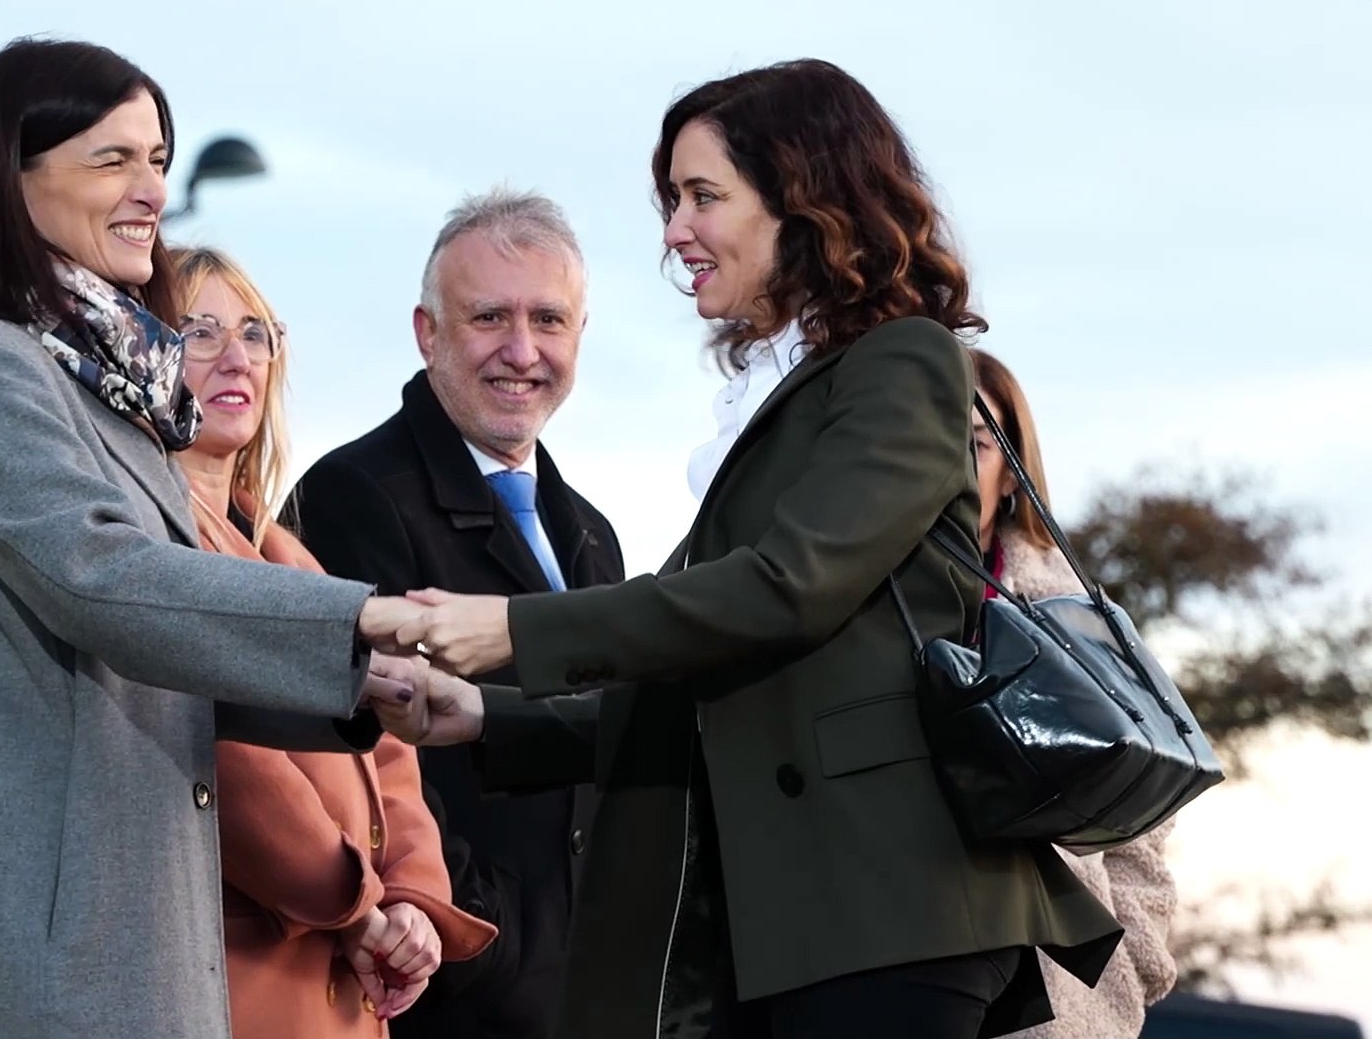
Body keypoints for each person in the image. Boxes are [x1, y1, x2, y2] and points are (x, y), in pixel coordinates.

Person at [373, 60, 1125, 1039]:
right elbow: (691, 674)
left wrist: (511, 629)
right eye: (670, 200)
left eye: (701, 197)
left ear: (799, 198)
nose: (674, 230)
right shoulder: (776, 401)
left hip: (889, 910)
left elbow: (784, 591)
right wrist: (483, 717)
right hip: (791, 925)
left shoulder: (906, 362)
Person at [0, 37, 421, 1039]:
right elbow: (108, 581)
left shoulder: (123, 399)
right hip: (58, 929)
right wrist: (368, 624)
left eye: (160, 161)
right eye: (114, 160)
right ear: (12, 180)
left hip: (141, 915)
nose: (152, 193)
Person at [290, 187, 626, 1039]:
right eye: (490, 318)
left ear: (580, 336)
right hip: (450, 989)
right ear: (427, 332)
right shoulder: (352, 495)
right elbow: (360, 755)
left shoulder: (592, 533)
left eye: (549, 320)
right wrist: (480, 935)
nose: (522, 351)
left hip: (596, 991)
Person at [166, 245, 496, 1037]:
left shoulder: (292, 554)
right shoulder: (157, 547)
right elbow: (230, 761)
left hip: (350, 980)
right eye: (200, 333)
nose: (235, 356)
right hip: (244, 972)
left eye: (255, 333)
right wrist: (359, 906)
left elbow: (389, 743)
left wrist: (415, 896)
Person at [971, 348, 1179, 1039]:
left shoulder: (1074, 619)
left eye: (972, 443)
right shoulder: (851, 604)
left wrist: (1134, 964)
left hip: (1058, 998)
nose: (944, 465)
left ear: (1010, 472)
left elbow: (1147, 812)